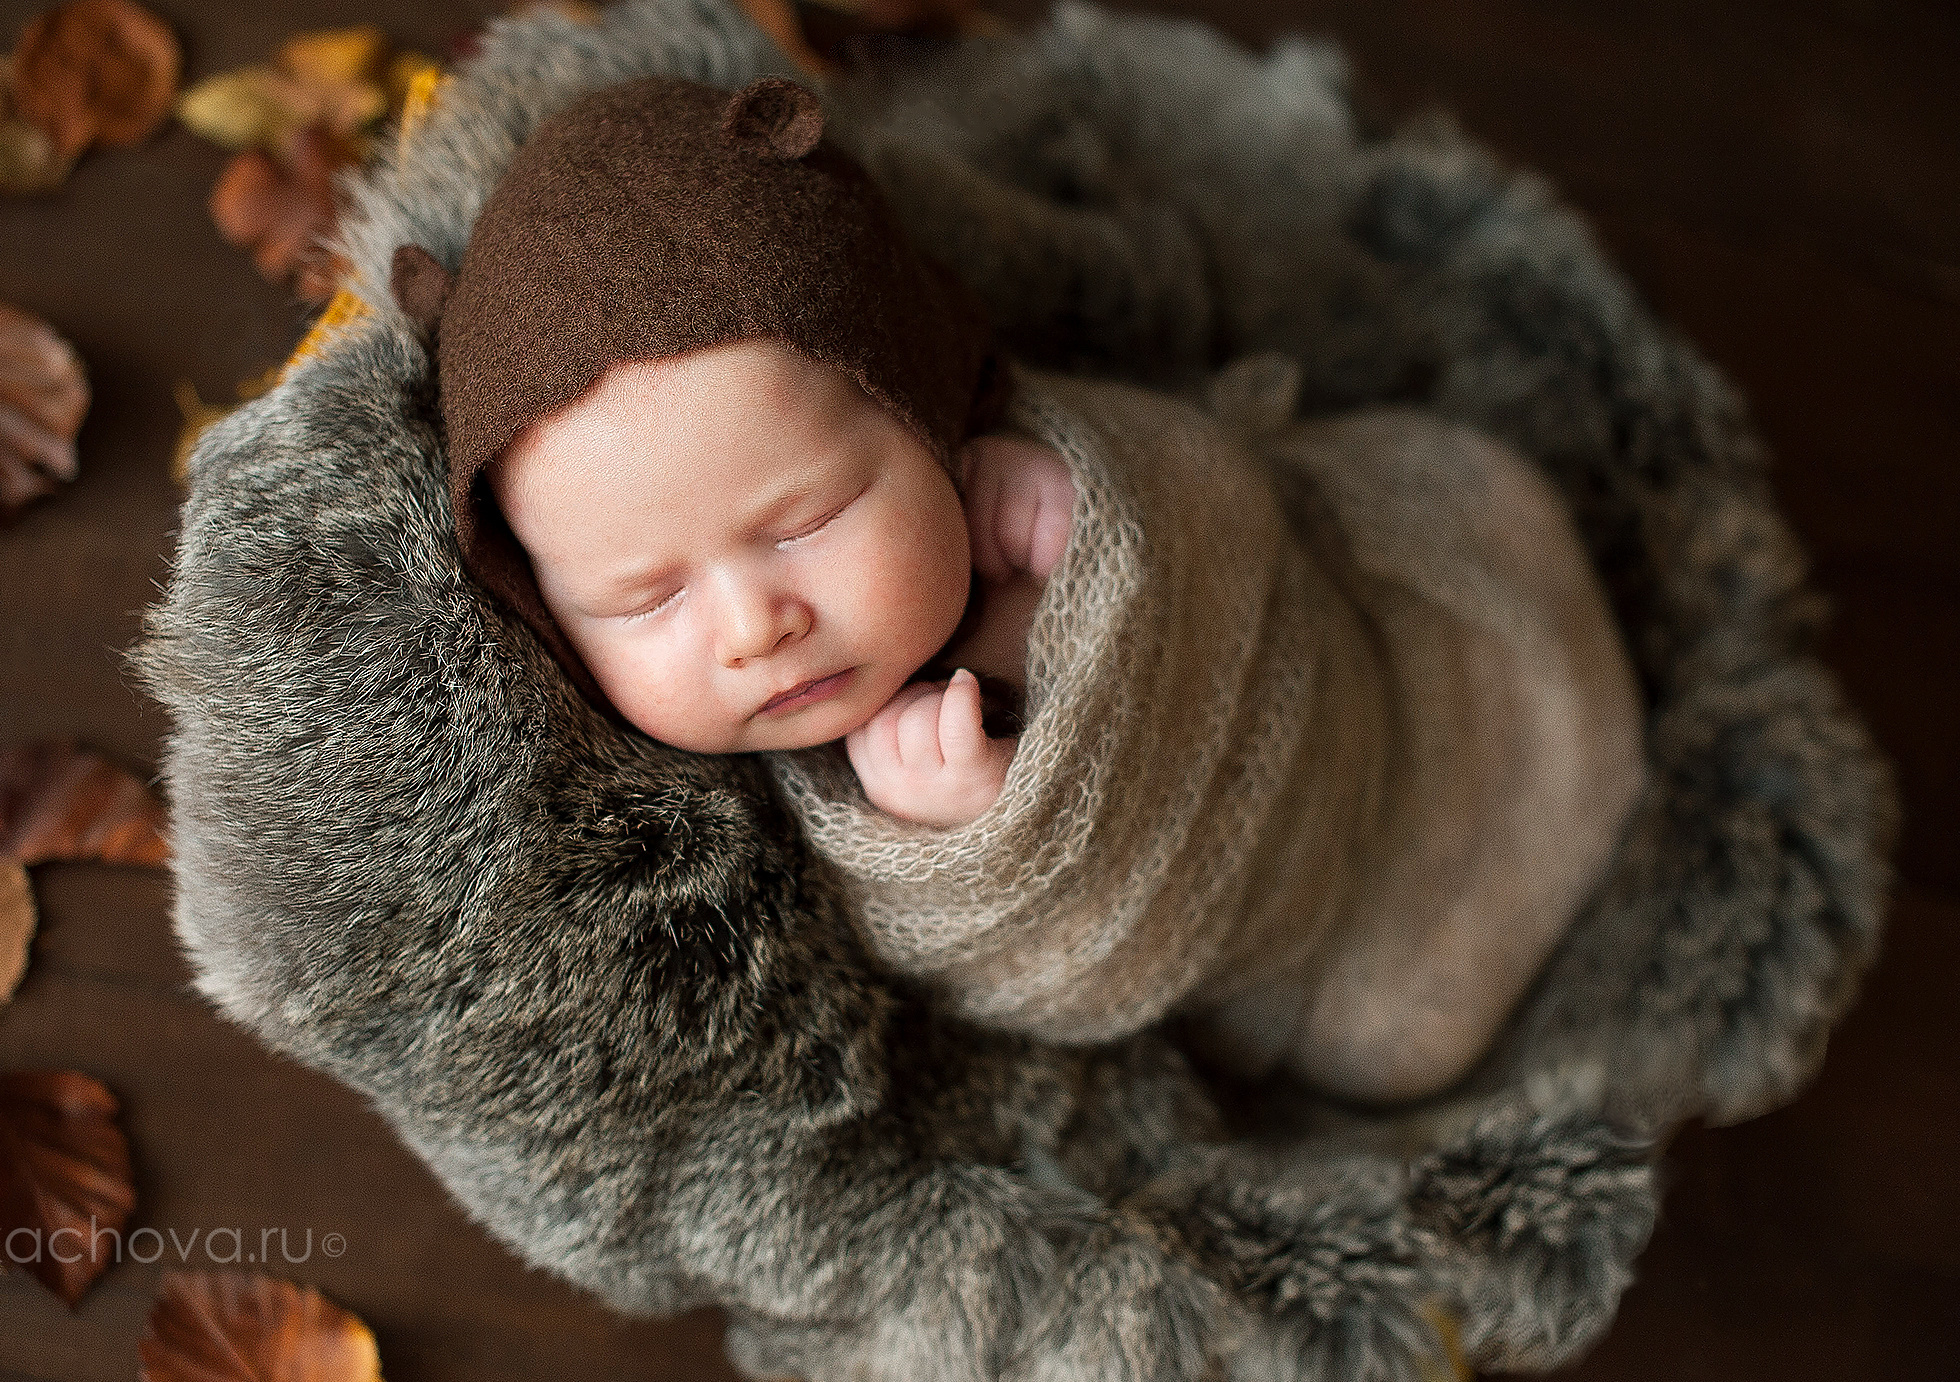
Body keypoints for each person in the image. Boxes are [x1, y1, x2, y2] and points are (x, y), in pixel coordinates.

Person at [390, 74, 1646, 1105]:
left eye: (810, 519)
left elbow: (1224, 509)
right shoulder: (717, 817)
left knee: (1464, 513)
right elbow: (1046, 987)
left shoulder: (1018, 469)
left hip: (1366, 681)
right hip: (1310, 907)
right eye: (643, 599)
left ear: (928, 413)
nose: (752, 623)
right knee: (1393, 1036)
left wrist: (1112, 515)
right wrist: (972, 841)